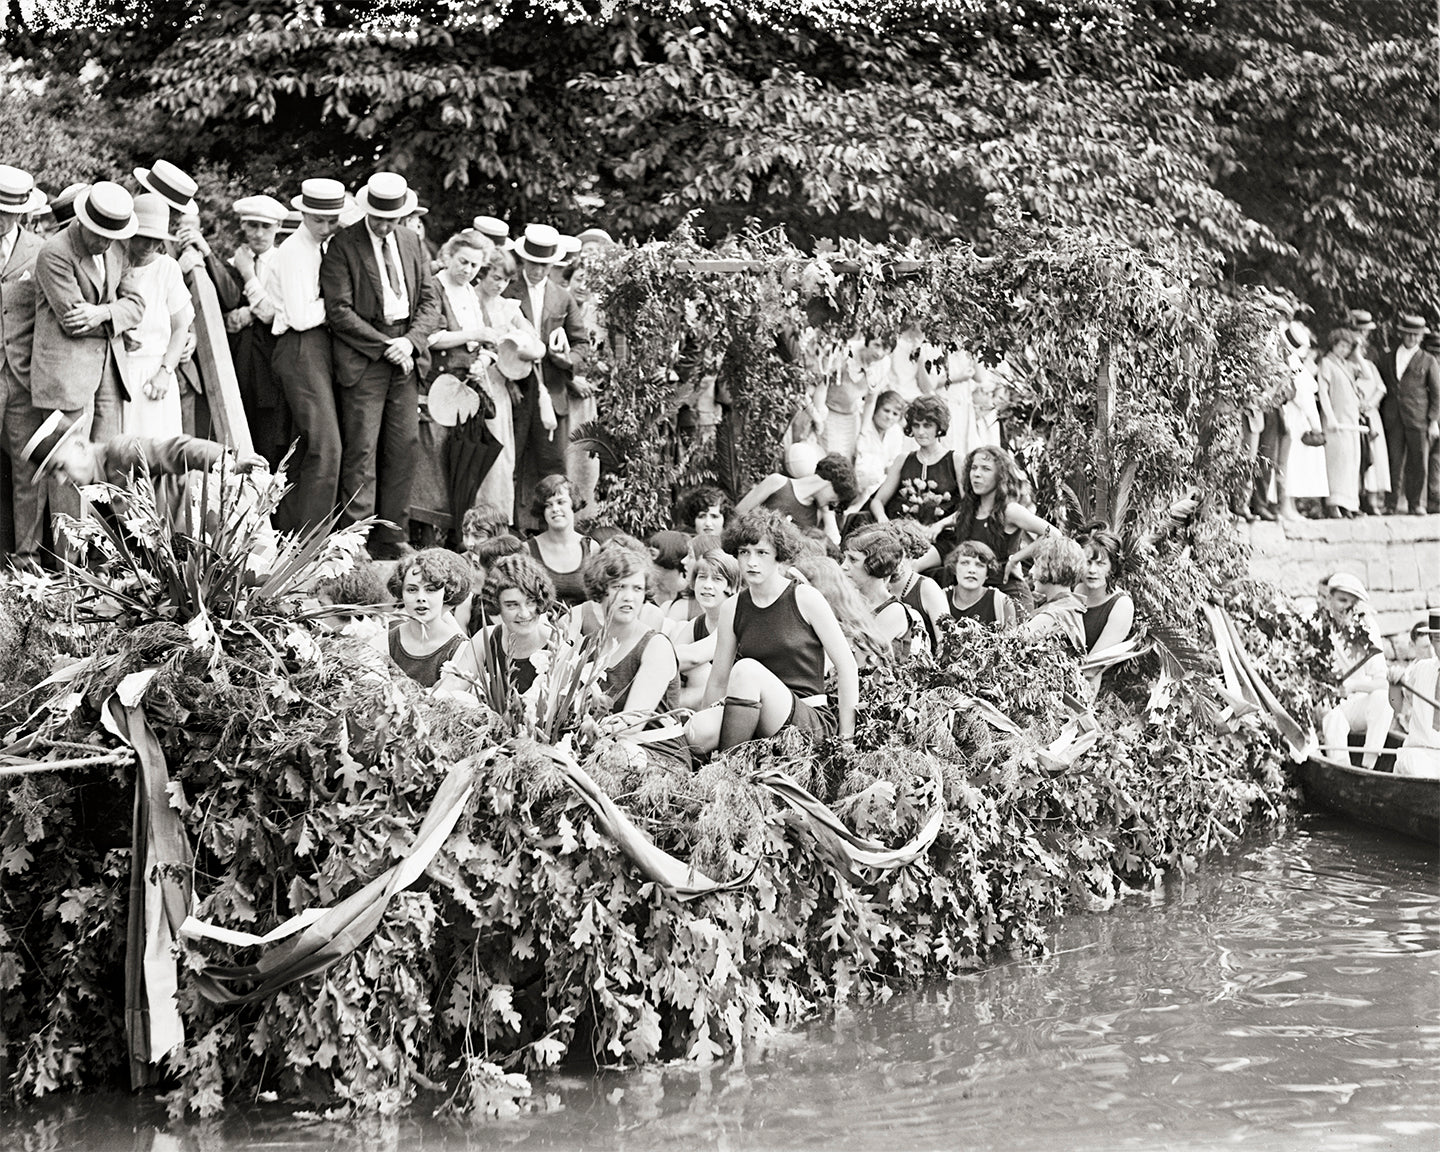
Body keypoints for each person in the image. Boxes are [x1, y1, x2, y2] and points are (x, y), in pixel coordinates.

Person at [322, 172, 442, 558]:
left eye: (392, 218)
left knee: (402, 447)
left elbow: (430, 302)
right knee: (361, 449)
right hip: (366, 357)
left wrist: (409, 342)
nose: (385, 225)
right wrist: (385, 344)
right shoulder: (343, 244)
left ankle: (393, 535)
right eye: (378, 217)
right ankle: (355, 539)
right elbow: (338, 310)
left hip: (405, 357)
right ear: (367, 210)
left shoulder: (411, 241)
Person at [685, 509, 858, 755]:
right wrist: (707, 714)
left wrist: (846, 739)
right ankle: (714, 764)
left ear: (779, 555)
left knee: (747, 669)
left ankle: (728, 768)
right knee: (697, 729)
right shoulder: (732, 607)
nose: (751, 562)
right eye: (744, 552)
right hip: (751, 710)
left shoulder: (805, 598)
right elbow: (718, 680)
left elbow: (847, 666)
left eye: (762, 553)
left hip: (806, 719)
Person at [23, 409, 267, 535]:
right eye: (53, 476)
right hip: (179, 553)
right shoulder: (95, 488)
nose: (61, 480)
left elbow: (177, 449)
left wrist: (227, 463)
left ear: (79, 446)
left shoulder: (119, 451)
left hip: (210, 521)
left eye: (59, 468)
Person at [266, 177, 345, 535]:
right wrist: (340, 308)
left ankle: (288, 531)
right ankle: (312, 539)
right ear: (302, 213)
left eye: (332, 220)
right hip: (300, 346)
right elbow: (299, 316)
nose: (326, 227)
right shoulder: (295, 251)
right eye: (318, 220)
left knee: (305, 447)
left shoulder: (318, 246)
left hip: (313, 347)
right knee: (326, 447)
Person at [505, 223, 591, 520]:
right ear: (523, 260)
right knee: (509, 462)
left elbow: (581, 345)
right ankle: (509, 527)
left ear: (552, 264)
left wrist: (566, 359)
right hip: (513, 389)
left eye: (544, 265)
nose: (538, 271)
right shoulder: (508, 289)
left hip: (552, 393)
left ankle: (552, 529)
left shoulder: (562, 297)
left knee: (551, 464)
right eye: (533, 264)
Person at [581, 546, 691, 770]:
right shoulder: (589, 646)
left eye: (637, 588)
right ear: (600, 590)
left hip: (657, 759)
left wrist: (592, 730)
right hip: (603, 750)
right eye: (619, 587)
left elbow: (631, 725)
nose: (629, 597)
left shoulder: (654, 646)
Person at [0, 164, 49, 566]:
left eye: (9, 212)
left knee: (28, 467)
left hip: (22, 379)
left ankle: (26, 555)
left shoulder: (39, 251)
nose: (2, 219)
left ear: (24, 212)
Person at [219, 194, 290, 468]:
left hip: (274, 367)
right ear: (243, 227)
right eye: (252, 226)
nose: (259, 233)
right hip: (241, 365)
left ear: (277, 228)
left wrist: (249, 311)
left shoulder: (284, 262)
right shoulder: (230, 265)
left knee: (271, 440)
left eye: (266, 227)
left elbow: (271, 312)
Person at [118, 194, 192, 440]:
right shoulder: (115, 264)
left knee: (156, 446)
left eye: (155, 239)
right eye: (142, 237)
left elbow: (181, 327)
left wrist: (165, 371)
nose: (148, 246)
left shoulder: (167, 268)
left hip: (153, 370)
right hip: (119, 369)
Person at [470, 243, 535, 522]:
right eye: (495, 277)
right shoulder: (466, 299)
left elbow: (535, 345)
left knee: (498, 461)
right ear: (483, 273)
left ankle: (492, 524)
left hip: (495, 390)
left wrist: (516, 345)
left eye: (506, 280)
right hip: (465, 384)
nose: (500, 284)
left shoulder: (508, 308)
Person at [438, 551, 558, 700]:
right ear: (496, 605)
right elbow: (450, 689)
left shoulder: (557, 647)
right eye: (512, 605)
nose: (525, 614)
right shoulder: (485, 640)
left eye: (530, 602)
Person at [949, 444, 1058, 593]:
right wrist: (938, 526)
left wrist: (1016, 558)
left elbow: (1054, 534)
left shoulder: (1010, 510)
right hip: (974, 595)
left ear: (1000, 475)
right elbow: (954, 519)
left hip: (1008, 593)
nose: (977, 474)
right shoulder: (969, 510)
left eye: (986, 469)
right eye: (974, 468)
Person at [869, 395, 961, 560]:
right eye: (916, 425)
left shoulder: (955, 460)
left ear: (939, 427)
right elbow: (877, 501)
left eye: (927, 425)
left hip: (940, 538)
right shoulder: (903, 459)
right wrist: (884, 520)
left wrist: (940, 525)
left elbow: (969, 507)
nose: (920, 432)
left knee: (910, 566)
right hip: (902, 535)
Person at [1319, 572, 1392, 769]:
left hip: (1352, 704)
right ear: (1328, 598)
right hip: (1323, 706)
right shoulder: (1315, 625)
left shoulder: (1366, 630)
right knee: (1333, 719)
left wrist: (1353, 686)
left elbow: (1383, 682)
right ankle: (1343, 771)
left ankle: (1367, 768)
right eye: (1341, 600)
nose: (1346, 608)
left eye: (1352, 603)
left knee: (1383, 700)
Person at [1376, 314, 1440, 515]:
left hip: (1418, 418)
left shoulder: (1428, 360)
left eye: (1415, 335)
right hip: (1393, 417)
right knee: (1394, 460)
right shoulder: (1387, 357)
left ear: (1421, 337)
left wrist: (1433, 421)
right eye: (1408, 334)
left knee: (1418, 460)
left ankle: (1416, 504)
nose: (1411, 338)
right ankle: (1391, 503)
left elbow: (1437, 393)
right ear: (1401, 334)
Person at [384, 548, 470, 688]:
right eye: (412, 589)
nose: (420, 598)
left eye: (430, 590)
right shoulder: (385, 642)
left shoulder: (460, 649)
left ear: (446, 593)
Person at [734, 451, 857, 544]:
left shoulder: (816, 513)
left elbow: (833, 542)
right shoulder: (778, 482)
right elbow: (739, 512)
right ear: (829, 484)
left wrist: (827, 513)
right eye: (836, 499)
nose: (834, 505)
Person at [841, 525, 926, 656]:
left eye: (853, 560)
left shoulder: (893, 611)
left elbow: (861, 659)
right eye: (845, 558)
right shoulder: (850, 601)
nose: (843, 566)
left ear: (876, 565)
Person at [671, 548, 738, 711]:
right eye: (702, 577)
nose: (707, 585)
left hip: (738, 699)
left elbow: (695, 657)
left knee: (700, 670)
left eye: (717, 579)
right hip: (709, 699)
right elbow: (673, 665)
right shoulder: (696, 624)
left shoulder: (736, 616)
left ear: (732, 586)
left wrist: (646, 656)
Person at [525, 474, 595, 607]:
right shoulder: (527, 550)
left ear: (573, 503)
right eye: (548, 505)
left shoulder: (591, 547)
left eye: (561, 502)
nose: (555, 509)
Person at [1316, 327, 1363, 518]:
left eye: (1347, 347)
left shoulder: (1348, 365)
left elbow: (1368, 375)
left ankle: (1349, 504)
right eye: (1341, 346)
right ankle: (1334, 503)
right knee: (1337, 462)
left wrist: (1357, 353)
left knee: (1352, 462)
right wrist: (1331, 417)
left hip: (1350, 420)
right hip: (1336, 420)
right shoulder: (1327, 363)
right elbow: (1323, 393)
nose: (1344, 350)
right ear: (1334, 345)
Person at [886, 519, 951, 646]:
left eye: (899, 554)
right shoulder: (876, 585)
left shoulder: (927, 588)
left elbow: (947, 642)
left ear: (911, 554)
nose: (892, 560)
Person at [1019, 534, 1088, 652]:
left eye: (1036, 565)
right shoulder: (1069, 606)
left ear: (1052, 568)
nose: (1030, 571)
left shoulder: (1054, 615)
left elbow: (1009, 642)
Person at [1393, 611, 1440, 778]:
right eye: (1438, 640)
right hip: (1419, 754)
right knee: (1414, 762)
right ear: (1432, 642)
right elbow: (1397, 704)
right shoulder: (1420, 669)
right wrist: (1394, 685)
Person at [1075, 525, 1134, 656]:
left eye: (1101, 564)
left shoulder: (1121, 605)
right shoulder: (1076, 589)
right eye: (1087, 562)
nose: (1092, 570)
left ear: (1112, 568)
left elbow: (1095, 664)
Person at [852, 388, 909, 500]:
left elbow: (893, 464)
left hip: (879, 487)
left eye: (895, 414)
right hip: (857, 481)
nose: (889, 417)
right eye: (886, 410)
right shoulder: (862, 425)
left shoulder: (896, 431)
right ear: (876, 408)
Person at [947, 540, 1015, 628]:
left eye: (979, 565)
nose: (971, 570)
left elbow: (1011, 639)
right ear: (954, 568)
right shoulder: (941, 597)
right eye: (965, 563)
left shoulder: (1002, 602)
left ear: (987, 572)